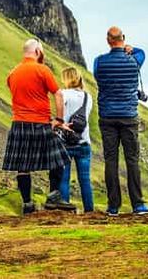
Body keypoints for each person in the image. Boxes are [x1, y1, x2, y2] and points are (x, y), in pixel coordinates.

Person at [2, 39, 75, 214]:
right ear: (37, 52)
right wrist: (59, 119)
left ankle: (27, 204)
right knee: (59, 159)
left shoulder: (12, 74)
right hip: (41, 123)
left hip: (19, 124)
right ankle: (53, 196)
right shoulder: (42, 70)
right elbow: (57, 94)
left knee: (23, 166)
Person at [93, 26, 148, 216]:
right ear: (123, 38)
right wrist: (130, 48)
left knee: (111, 161)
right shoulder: (134, 60)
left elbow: (97, 77)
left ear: (108, 40)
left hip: (108, 116)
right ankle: (138, 204)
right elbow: (142, 52)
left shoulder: (99, 62)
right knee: (132, 160)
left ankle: (113, 206)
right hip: (128, 117)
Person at [58, 67, 94, 213]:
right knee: (85, 179)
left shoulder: (62, 94)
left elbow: (60, 115)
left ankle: (66, 211)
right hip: (83, 141)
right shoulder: (88, 96)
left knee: (64, 179)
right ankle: (89, 211)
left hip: (65, 141)